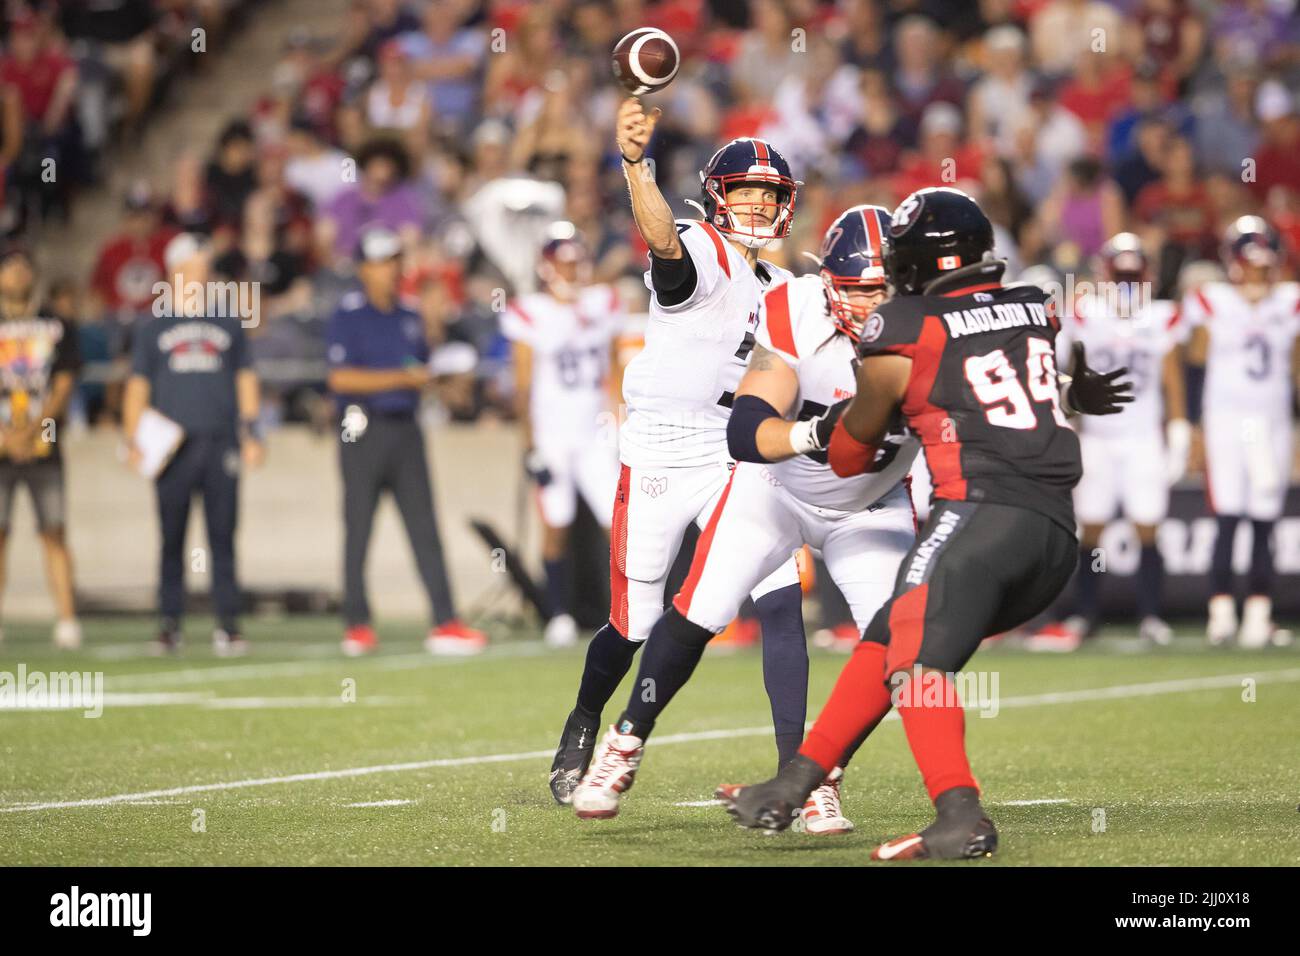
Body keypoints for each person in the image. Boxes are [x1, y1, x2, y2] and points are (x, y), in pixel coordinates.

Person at [718, 188, 1132, 859]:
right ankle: (792, 785)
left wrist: (838, 428)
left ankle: (959, 811)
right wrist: (1065, 391)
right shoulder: (1035, 304)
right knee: (888, 636)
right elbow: (1001, 376)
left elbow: (853, 453)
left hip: (981, 519)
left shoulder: (901, 324)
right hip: (1053, 534)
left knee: (915, 662)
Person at [571, 206, 919, 832]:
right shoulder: (794, 305)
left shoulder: (934, 325)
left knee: (898, 655)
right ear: (827, 281)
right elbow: (746, 430)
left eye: (882, 286)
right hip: (777, 486)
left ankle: (813, 774)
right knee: (695, 610)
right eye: (856, 286)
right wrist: (819, 434)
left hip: (870, 506)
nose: (869, 302)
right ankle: (623, 742)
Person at [547, 100, 807, 806]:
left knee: (780, 599)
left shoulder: (786, 288)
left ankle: (804, 774)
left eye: (768, 194)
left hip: (737, 453)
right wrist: (635, 165)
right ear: (719, 201)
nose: (756, 204)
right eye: (745, 192)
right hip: (661, 451)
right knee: (633, 624)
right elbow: (661, 236)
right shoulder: (702, 247)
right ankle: (584, 719)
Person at [326, 225, 485, 657]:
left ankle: (444, 620)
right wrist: (405, 377)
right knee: (358, 528)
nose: (389, 270)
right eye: (380, 262)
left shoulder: (411, 316)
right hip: (362, 428)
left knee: (425, 528)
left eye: (393, 260)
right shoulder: (348, 314)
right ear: (363, 268)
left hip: (406, 428)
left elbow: (421, 371)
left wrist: (444, 385)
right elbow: (341, 378)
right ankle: (356, 623)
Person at [1030, 233, 1190, 650]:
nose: (1126, 286)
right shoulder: (1084, 313)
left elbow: (1172, 378)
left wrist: (1178, 430)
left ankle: (1151, 615)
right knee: (1091, 528)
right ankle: (1086, 614)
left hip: (1142, 437)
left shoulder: (1161, 316)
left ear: (1147, 277)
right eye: (1120, 277)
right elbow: (1059, 370)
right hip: (1097, 437)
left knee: (1148, 525)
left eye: (1132, 277)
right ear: (1104, 275)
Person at [122, 234, 265, 655]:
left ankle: (228, 623)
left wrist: (252, 431)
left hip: (220, 441)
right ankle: (169, 623)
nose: (202, 274)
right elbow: (137, 386)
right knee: (171, 538)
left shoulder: (228, 323)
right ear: (176, 270)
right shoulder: (153, 327)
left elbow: (245, 378)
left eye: (204, 266)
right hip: (172, 448)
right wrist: (134, 439)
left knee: (223, 536)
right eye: (195, 266)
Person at [503, 227, 622, 648]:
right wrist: (529, 444)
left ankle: (624, 610)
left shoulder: (601, 303)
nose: (573, 270)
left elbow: (613, 368)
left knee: (619, 522)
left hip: (594, 434)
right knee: (556, 523)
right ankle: (558, 613)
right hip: (553, 436)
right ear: (547, 266)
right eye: (564, 261)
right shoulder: (529, 311)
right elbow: (522, 386)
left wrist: (619, 417)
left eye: (576, 260)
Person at [1183, 216, 1299, 649]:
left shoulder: (1288, 303)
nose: (1258, 274)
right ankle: (1220, 614)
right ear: (1234, 263)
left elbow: (1297, 367)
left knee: (1264, 518)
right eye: (1251, 265)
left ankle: (1258, 615)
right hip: (1225, 420)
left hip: (1271, 422)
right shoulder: (1212, 301)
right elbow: (1195, 362)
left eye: (1265, 265)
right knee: (1227, 515)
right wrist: (1192, 425)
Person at [0, 246, 81, 649]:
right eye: (8, 268)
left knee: (54, 530)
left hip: (44, 438)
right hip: (0, 438)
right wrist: (6, 435)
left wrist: (33, 432)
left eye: (21, 267)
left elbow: (63, 384)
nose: (15, 275)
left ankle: (67, 619)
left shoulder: (55, 323)